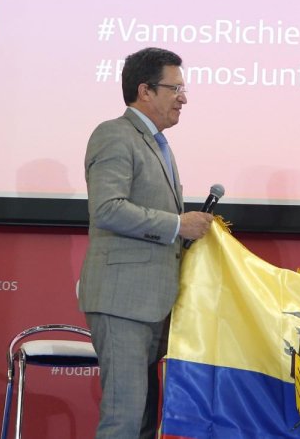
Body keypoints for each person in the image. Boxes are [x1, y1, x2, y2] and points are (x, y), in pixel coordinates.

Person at [78, 47, 214, 439]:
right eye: (176, 88)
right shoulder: (115, 134)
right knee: (124, 417)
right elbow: (107, 208)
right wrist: (176, 225)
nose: (183, 98)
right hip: (123, 303)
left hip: (154, 304)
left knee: (143, 423)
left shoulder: (158, 144)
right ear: (145, 91)